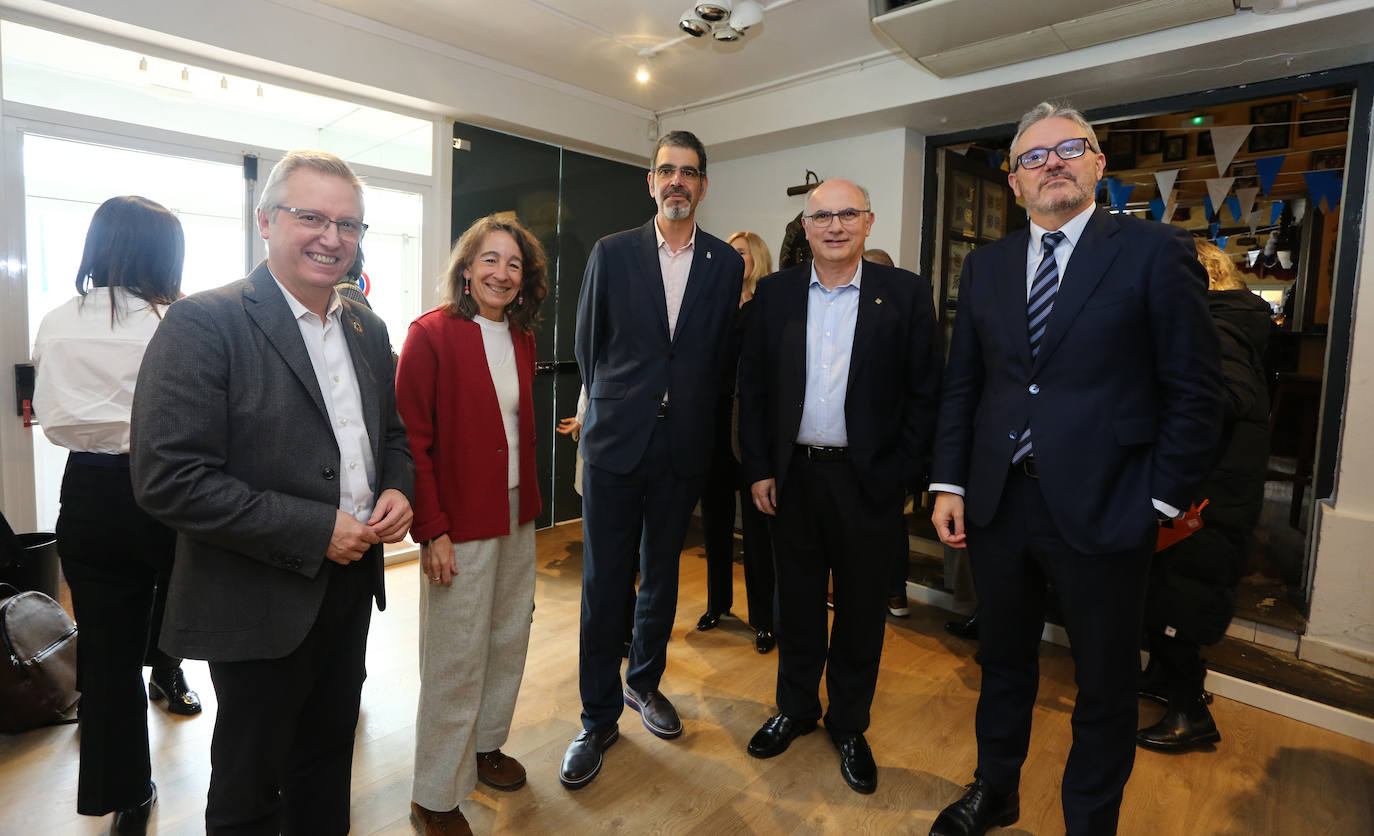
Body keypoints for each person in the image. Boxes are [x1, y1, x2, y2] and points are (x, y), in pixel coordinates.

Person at [927, 102, 1222, 836]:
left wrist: (1160, 502)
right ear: (1015, 182)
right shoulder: (987, 266)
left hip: (1110, 505)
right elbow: (966, 385)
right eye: (1033, 156)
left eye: (1069, 148)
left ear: (1097, 162)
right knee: (1003, 662)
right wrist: (950, 482)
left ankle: (1089, 822)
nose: (1051, 163)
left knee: (1104, 682)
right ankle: (996, 790)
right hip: (1000, 505)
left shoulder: (1154, 251)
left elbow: (1196, 390)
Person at [131, 150, 415, 836]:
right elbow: (170, 478)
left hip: (351, 587)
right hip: (257, 594)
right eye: (310, 216)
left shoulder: (366, 327)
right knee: (250, 787)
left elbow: (392, 435)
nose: (331, 237)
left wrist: (398, 488)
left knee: (327, 760)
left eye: (348, 224)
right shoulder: (204, 322)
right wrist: (316, 529)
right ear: (265, 221)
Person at [738, 179, 941, 794]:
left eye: (847, 214)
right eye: (821, 216)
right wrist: (760, 468)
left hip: (868, 481)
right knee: (797, 603)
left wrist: (902, 475)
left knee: (860, 610)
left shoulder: (905, 294)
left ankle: (849, 724)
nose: (834, 226)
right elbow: (754, 389)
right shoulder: (775, 294)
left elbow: (925, 394)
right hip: (793, 478)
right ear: (805, 226)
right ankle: (796, 709)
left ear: (868, 222)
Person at [561, 130, 744, 789]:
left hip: (683, 445)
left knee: (661, 576)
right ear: (650, 181)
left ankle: (643, 683)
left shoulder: (725, 263)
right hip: (616, 441)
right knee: (604, 583)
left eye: (689, 172)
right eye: (667, 170)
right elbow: (588, 346)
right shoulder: (612, 253)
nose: (677, 182)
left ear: (703, 185)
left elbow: (720, 355)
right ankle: (596, 718)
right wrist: (621, 403)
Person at [31, 195, 199, 836]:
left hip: (89, 491)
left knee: (105, 655)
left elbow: (52, 418)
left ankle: (125, 795)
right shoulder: (178, 321)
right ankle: (178, 683)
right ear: (165, 255)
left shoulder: (56, 320)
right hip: (170, 484)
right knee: (205, 617)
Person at [396, 215, 547, 835]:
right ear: (466, 268)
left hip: (515, 513)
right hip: (458, 520)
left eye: (514, 264)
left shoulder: (521, 338)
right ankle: (434, 793)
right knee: (455, 656)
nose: (502, 273)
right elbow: (412, 442)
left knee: (508, 638)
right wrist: (432, 529)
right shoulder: (430, 335)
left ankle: (485, 746)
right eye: (490, 259)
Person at [1136, 239, 1272, 752]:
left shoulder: (1215, 327)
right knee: (1164, 587)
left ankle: (1189, 714)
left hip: (1205, 493)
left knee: (1182, 594)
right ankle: (1162, 679)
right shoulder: (1226, 320)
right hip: (1205, 486)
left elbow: (1223, 399)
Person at [696, 230, 777, 654]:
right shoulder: (716, 304)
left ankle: (764, 618)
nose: (733, 258)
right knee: (715, 522)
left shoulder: (769, 305)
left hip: (752, 430)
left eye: (741, 252)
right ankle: (718, 604)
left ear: (757, 258)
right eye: (730, 252)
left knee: (759, 532)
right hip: (713, 426)